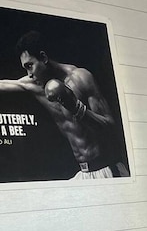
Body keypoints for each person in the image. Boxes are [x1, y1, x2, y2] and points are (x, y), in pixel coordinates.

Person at [0, 30, 129, 179]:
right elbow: (3, 85)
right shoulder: (33, 84)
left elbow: (110, 127)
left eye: (30, 66)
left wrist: (76, 108)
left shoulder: (80, 78)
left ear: (43, 57)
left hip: (107, 168)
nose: (29, 74)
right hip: (83, 173)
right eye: (26, 68)